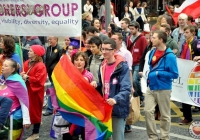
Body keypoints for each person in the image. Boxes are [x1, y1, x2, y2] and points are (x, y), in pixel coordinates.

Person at [91, 39, 131, 140]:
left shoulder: (122, 67)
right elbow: (104, 85)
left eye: (107, 49)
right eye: (102, 49)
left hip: (117, 108)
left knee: (118, 137)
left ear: (114, 51)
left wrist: (115, 99)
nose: (104, 52)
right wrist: (96, 85)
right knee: (105, 137)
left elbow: (126, 89)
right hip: (105, 108)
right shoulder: (102, 65)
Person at [145, 30, 179, 140]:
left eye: (154, 37)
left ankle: (164, 137)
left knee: (165, 115)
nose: (151, 39)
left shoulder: (170, 56)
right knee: (147, 111)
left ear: (161, 40)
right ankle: (153, 137)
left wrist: (159, 73)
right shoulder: (152, 52)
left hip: (163, 88)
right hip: (151, 87)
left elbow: (174, 74)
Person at [62, 51, 94, 140]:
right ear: (73, 62)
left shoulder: (89, 75)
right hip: (70, 108)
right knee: (69, 135)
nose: (79, 62)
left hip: (84, 110)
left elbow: (84, 80)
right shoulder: (67, 74)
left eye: (81, 60)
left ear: (85, 62)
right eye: (76, 60)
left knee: (85, 134)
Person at [20, 45, 47, 139]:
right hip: (27, 90)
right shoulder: (27, 62)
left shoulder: (41, 66)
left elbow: (39, 80)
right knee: (27, 109)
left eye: (30, 51)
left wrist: (27, 77)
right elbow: (23, 74)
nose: (28, 52)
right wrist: (22, 74)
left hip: (35, 92)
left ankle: (36, 133)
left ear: (36, 54)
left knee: (35, 111)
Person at [0, 59, 31, 140]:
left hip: (14, 118)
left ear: (13, 69)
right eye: (3, 65)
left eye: (6, 66)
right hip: (2, 116)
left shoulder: (18, 82)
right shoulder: (1, 80)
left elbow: (24, 102)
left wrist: (26, 120)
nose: (3, 67)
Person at [111, 33, 134, 132]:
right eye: (111, 39)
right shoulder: (111, 52)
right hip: (113, 84)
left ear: (120, 40)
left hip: (123, 82)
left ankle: (126, 125)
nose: (113, 40)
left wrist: (131, 85)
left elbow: (129, 70)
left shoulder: (126, 53)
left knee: (123, 102)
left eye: (115, 39)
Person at [179, 25, 200, 125]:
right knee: (185, 94)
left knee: (196, 93)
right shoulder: (184, 44)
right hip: (186, 71)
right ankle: (187, 117)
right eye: (184, 32)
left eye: (187, 32)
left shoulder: (197, 43)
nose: (185, 34)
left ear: (193, 33)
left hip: (196, 73)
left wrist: (198, 57)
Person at [127, 21, 148, 104]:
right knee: (131, 81)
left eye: (132, 29)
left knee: (135, 80)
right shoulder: (129, 38)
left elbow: (145, 51)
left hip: (138, 62)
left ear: (137, 29)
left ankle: (140, 96)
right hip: (130, 62)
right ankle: (137, 97)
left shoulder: (142, 38)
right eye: (130, 29)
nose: (131, 30)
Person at [43, 36, 62, 116]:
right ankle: (55, 108)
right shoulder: (48, 48)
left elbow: (61, 62)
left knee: (52, 90)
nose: (49, 40)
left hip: (56, 74)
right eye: (49, 39)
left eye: (51, 39)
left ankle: (51, 108)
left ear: (56, 39)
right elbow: (47, 60)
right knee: (53, 90)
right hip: (49, 73)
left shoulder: (60, 49)